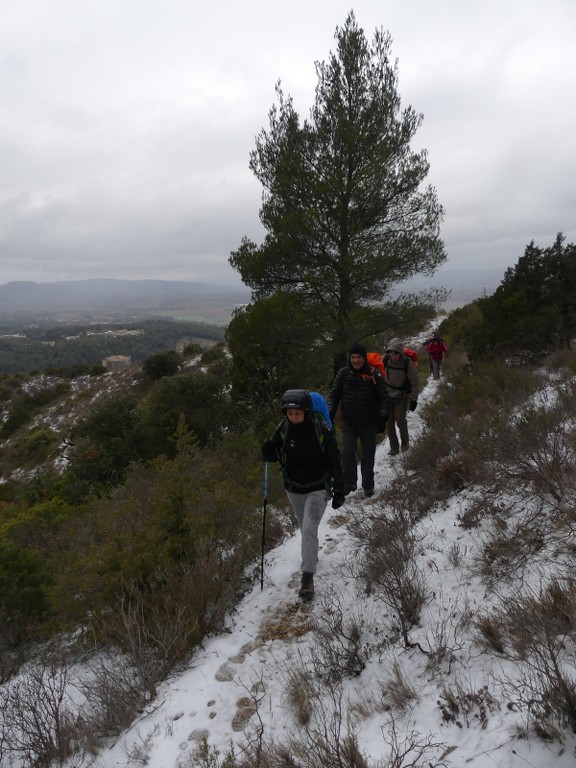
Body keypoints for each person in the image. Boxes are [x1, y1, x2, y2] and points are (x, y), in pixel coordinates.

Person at [261, 389, 345, 600]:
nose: (294, 417)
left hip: (318, 487)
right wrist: (268, 451)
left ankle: (307, 578)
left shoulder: (321, 429)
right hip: (294, 488)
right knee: (305, 527)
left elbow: (334, 459)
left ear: (306, 411)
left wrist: (340, 488)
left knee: (308, 528)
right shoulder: (283, 428)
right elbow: (273, 453)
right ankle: (311, 557)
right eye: (290, 414)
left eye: (298, 413)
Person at [327, 343, 389, 499]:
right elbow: (334, 395)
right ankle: (349, 483)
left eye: (358, 357)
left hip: (369, 422)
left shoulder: (374, 375)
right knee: (347, 453)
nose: (355, 360)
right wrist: (329, 413)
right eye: (352, 357)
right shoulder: (343, 374)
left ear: (364, 359)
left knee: (368, 455)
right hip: (349, 422)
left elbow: (383, 397)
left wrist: (383, 417)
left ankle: (368, 485)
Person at [383, 338, 420, 456]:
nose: (393, 356)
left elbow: (414, 382)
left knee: (400, 420)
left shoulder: (407, 363)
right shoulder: (384, 360)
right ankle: (394, 447)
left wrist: (414, 399)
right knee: (389, 423)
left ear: (400, 353)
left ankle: (405, 443)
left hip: (401, 397)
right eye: (391, 353)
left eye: (396, 353)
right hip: (388, 395)